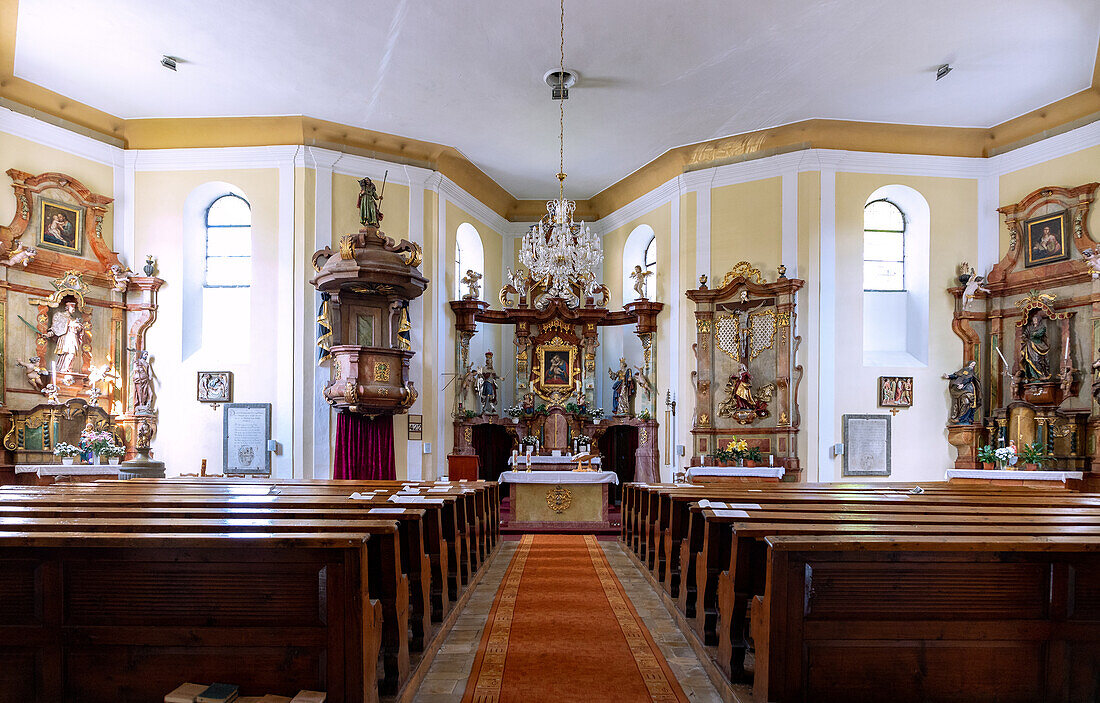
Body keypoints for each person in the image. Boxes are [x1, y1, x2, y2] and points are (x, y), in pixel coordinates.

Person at [47, 300, 83, 375]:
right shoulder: (60, 315)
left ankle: (69, 368)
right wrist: (49, 334)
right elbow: (56, 327)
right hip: (66, 337)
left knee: (72, 353)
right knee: (65, 353)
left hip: (73, 336)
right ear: (67, 308)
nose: (74, 309)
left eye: (74, 308)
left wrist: (78, 327)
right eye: (72, 307)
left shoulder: (73, 318)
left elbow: (78, 329)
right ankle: (63, 368)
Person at [944, 361, 981, 425]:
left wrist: (963, 384)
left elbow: (969, 378)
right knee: (963, 402)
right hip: (962, 389)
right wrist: (949, 376)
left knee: (968, 403)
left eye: (974, 365)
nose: (973, 365)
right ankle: (961, 418)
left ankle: (967, 418)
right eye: (972, 364)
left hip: (969, 389)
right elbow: (957, 375)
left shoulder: (971, 372)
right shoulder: (965, 370)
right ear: (969, 363)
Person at [1020, 309, 1050, 381]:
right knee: (1029, 360)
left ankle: (1041, 375)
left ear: (1039, 320)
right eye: (1034, 319)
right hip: (1029, 346)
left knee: (1037, 360)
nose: (1035, 320)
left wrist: (1034, 334)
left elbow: (1039, 333)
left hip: (1038, 346)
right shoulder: (1029, 327)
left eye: (1036, 319)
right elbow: (1025, 334)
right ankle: (1033, 376)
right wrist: (1024, 336)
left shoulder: (1042, 327)